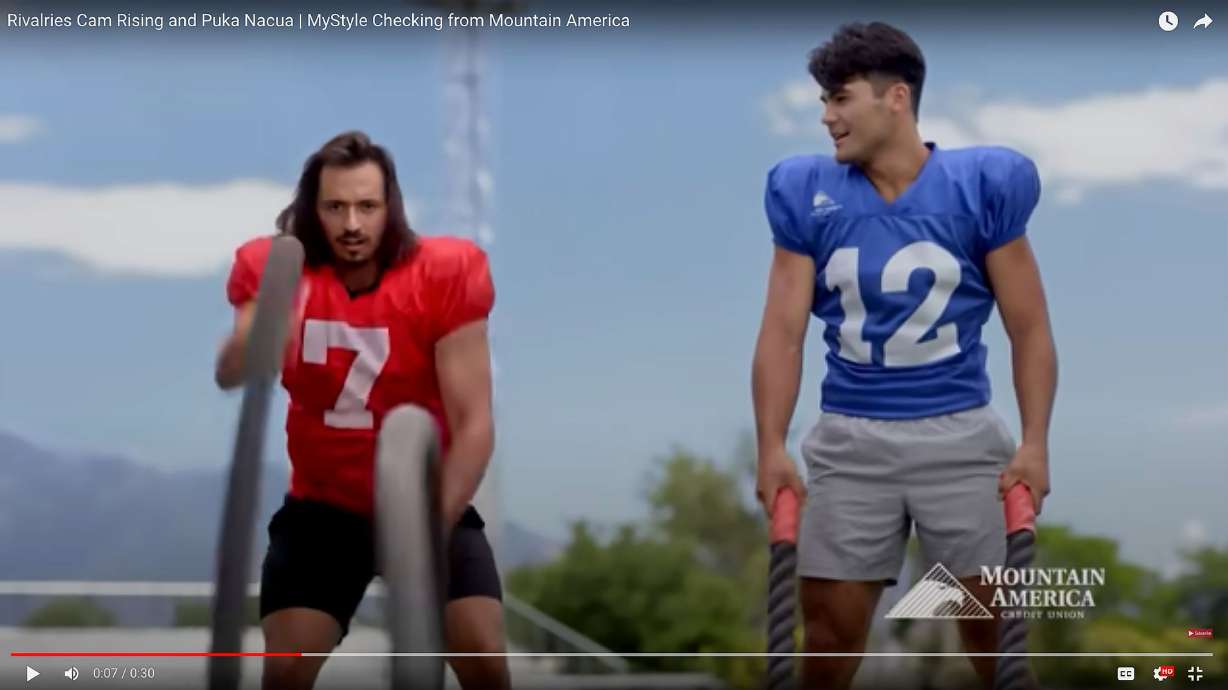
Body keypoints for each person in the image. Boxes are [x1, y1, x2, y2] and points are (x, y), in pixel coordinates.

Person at [751, 22, 1057, 690]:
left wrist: (1034, 442)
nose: (827, 117)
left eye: (840, 98)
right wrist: (770, 444)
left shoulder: (982, 185)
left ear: (896, 98)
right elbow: (782, 331)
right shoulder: (806, 190)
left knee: (996, 642)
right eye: (823, 102)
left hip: (961, 435)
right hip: (851, 438)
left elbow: (1029, 327)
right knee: (827, 640)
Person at [215, 131, 510, 690]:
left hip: (426, 501)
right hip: (322, 510)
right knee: (286, 670)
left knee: (484, 656)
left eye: (367, 206)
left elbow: (474, 424)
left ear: (390, 206)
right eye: (335, 207)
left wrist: (426, 531)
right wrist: (255, 339)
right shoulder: (277, 267)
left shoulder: (444, 272)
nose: (352, 223)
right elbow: (233, 372)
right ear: (313, 209)